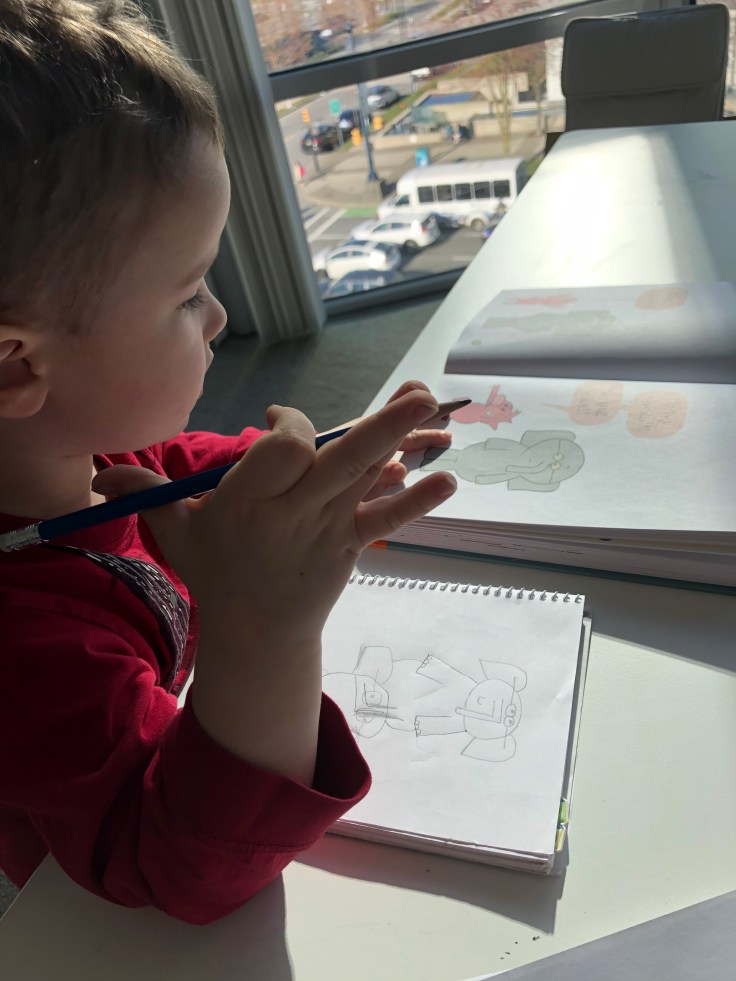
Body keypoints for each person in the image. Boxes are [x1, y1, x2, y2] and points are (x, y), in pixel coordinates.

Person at [0, 0, 456, 925]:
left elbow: (174, 464)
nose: (218, 319)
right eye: (187, 294)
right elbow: (183, 870)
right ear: (17, 366)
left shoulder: (87, 453)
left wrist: (290, 478)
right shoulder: (27, 652)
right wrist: (268, 628)